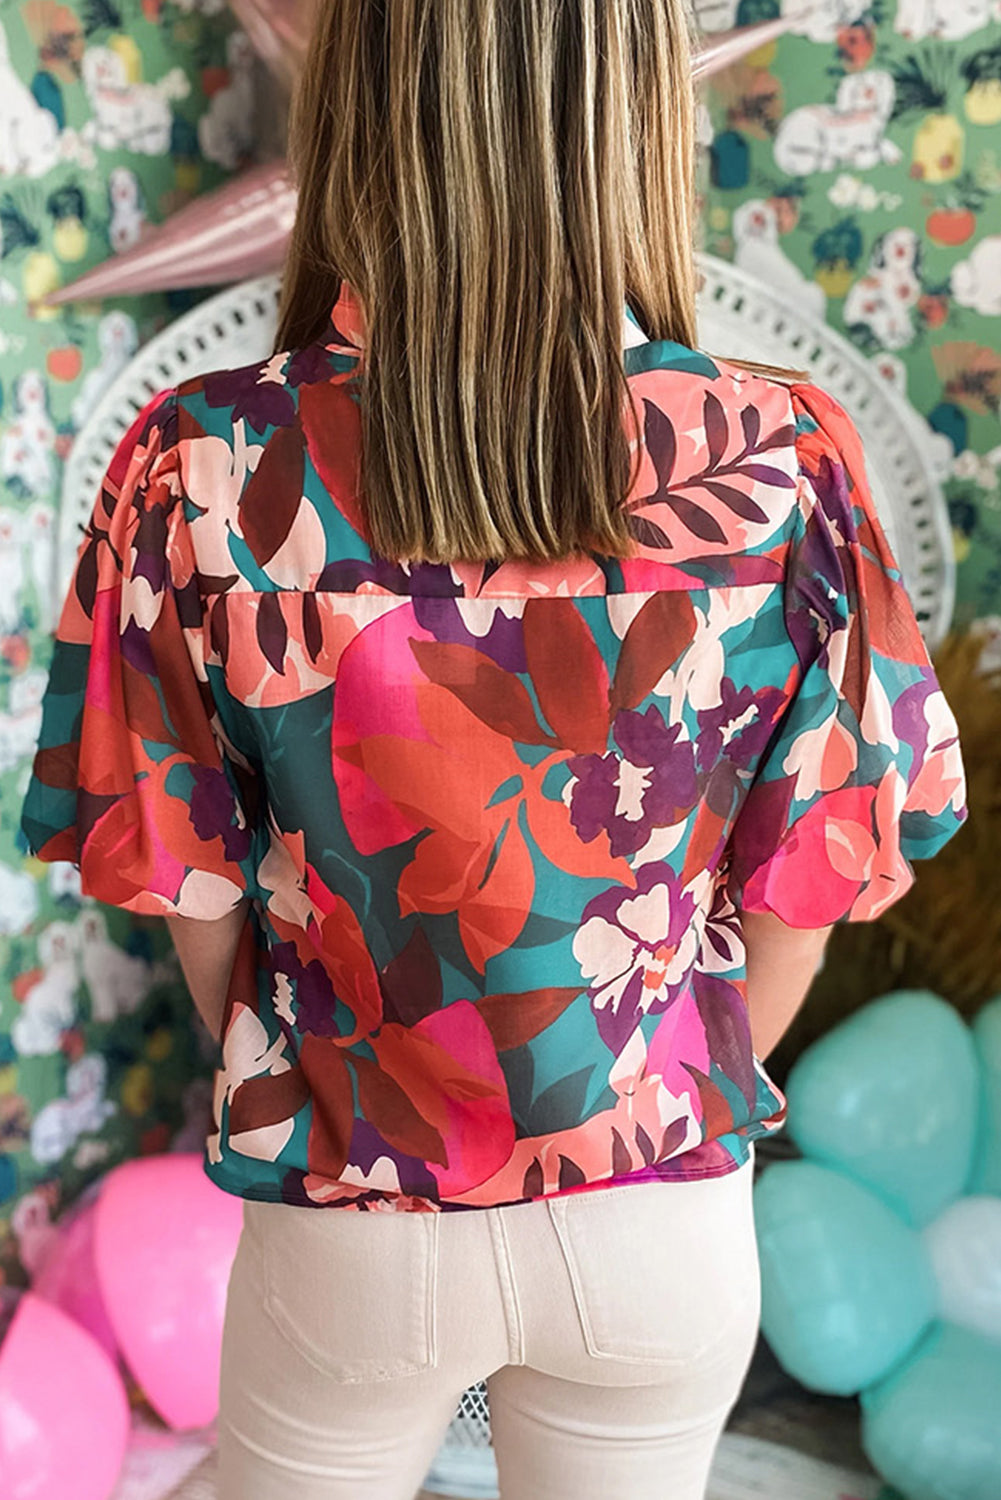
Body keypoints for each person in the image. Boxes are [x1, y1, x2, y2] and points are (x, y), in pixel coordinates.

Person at [22, 1, 967, 1497]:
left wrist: (338, 1078)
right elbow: (817, 885)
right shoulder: (783, 459)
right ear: (635, 119)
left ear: (357, 109)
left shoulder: (202, 457)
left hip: (349, 1203)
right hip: (659, 1218)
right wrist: (623, 1097)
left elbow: (184, 894)